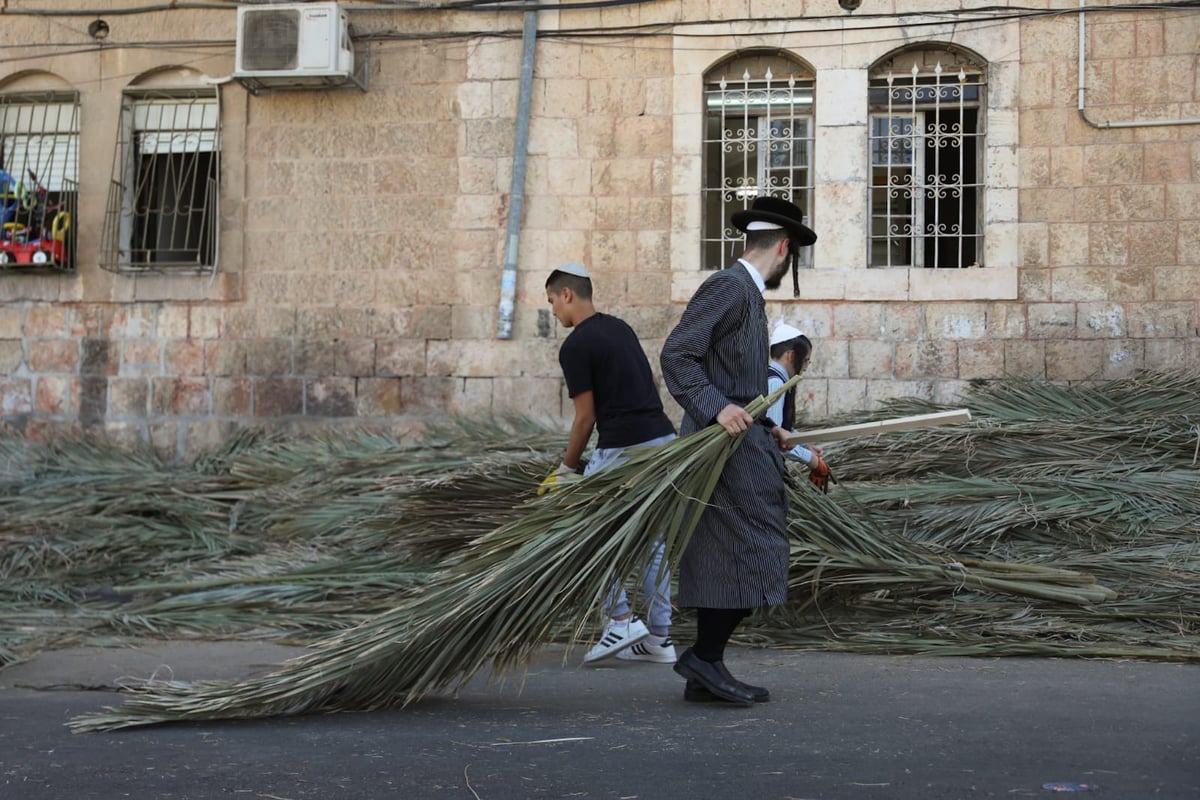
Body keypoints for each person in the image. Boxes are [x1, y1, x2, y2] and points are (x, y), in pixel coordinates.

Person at [659, 195, 817, 706]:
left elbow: (732, 376)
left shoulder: (746, 295)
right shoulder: (729, 287)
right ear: (786, 247)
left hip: (739, 443)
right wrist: (717, 407)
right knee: (759, 550)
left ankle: (704, 667)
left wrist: (764, 425)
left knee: (721, 556)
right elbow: (676, 354)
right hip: (722, 447)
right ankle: (705, 657)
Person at [542, 261, 679, 664]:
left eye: (552, 302)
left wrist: (567, 471)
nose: (553, 312)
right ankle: (659, 638)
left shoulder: (576, 346)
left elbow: (585, 418)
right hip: (663, 442)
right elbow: (649, 385)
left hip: (623, 448)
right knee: (655, 542)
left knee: (588, 532)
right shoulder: (620, 328)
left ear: (567, 294)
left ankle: (619, 620)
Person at [766, 323, 832, 493]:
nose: (804, 368)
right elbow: (775, 439)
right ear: (791, 356)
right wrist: (812, 461)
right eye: (805, 361)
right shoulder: (775, 383)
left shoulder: (776, 379)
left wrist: (805, 445)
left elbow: (784, 429)